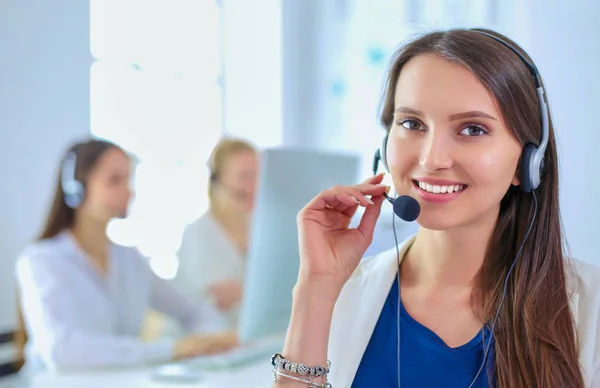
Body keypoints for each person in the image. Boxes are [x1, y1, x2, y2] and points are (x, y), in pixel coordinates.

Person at [271, 28, 600, 388]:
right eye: (411, 123)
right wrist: (316, 289)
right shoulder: (342, 294)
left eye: (473, 129)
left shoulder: (591, 306)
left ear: (529, 161)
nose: (432, 158)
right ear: (384, 144)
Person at [14, 139, 238, 374]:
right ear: (76, 189)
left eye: (128, 179)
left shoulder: (128, 259)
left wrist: (210, 340)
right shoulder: (42, 261)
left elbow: (192, 308)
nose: (129, 190)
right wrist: (174, 349)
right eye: (114, 180)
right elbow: (61, 350)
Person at [175, 138, 259, 328]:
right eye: (245, 176)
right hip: (201, 344)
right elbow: (218, 301)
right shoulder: (198, 235)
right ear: (218, 180)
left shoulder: (261, 230)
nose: (254, 186)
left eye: (259, 175)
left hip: (246, 342)